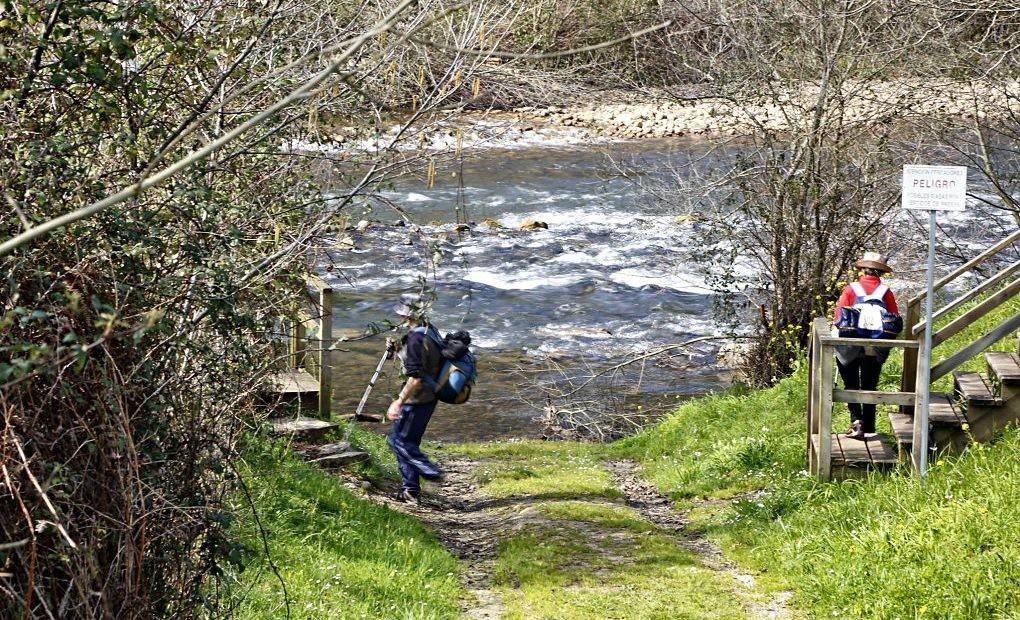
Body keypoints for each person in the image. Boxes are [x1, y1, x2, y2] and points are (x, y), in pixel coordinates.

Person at [833, 252, 900, 440]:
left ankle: (857, 423)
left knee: (851, 383)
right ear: (880, 272)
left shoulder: (851, 289)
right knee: (870, 384)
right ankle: (870, 425)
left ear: (862, 270)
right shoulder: (885, 292)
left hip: (851, 343)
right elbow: (894, 317)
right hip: (876, 344)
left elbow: (838, 317)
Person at [386, 294, 444, 503]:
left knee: (397, 441)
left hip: (417, 399)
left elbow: (415, 376)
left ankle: (429, 470)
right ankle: (410, 490)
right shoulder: (430, 329)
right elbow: (423, 361)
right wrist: (397, 350)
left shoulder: (416, 338)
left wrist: (399, 401)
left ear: (405, 314)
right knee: (408, 441)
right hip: (431, 396)